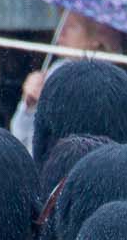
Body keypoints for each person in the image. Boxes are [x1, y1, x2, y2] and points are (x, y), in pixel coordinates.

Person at [9, 10, 120, 152]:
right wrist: (28, 105)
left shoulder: (107, 83)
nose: (60, 33)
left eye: (71, 26)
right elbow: (20, 140)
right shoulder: (54, 72)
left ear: (96, 37)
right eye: (61, 24)